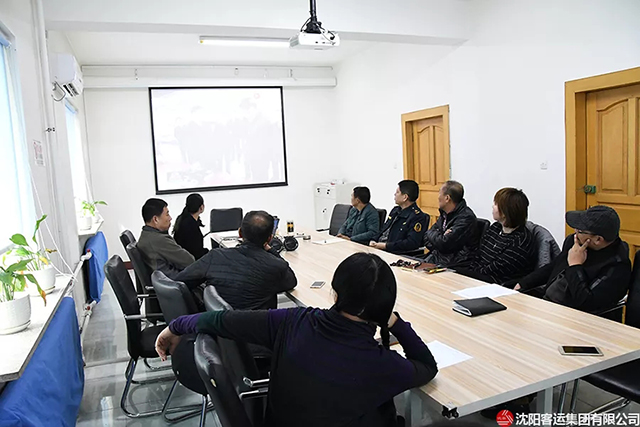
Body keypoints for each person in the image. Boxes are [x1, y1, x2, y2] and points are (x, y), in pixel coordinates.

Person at [156, 252, 438, 427]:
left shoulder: (292, 320)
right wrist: (396, 323)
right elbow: (427, 366)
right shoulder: (381, 363)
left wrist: (176, 326)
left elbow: (223, 320)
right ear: (385, 306)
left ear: (335, 294)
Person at [513, 206, 631, 313]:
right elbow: (554, 266)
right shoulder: (575, 242)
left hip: (575, 317)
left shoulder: (618, 267)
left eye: (580, 231)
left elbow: (586, 303)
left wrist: (575, 266)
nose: (575, 232)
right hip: (548, 303)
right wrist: (524, 283)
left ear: (598, 239)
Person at [175, 210, 297, 311]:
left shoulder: (215, 256)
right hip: (257, 330)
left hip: (217, 326)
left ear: (240, 233)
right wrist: (271, 250)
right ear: (270, 238)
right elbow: (291, 281)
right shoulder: (275, 266)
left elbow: (179, 282)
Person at [458, 188, 535, 284]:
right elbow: (479, 255)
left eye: (496, 204)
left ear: (505, 211)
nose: (492, 206)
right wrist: (470, 270)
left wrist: (470, 274)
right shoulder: (495, 227)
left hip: (497, 284)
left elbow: (495, 270)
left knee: (455, 274)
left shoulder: (521, 242)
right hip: (479, 276)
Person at [422, 181, 478, 267]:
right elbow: (426, 237)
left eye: (439, 193)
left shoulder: (466, 217)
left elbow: (444, 244)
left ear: (447, 198)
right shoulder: (445, 214)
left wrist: (437, 238)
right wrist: (439, 238)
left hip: (454, 263)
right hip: (437, 258)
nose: (438, 197)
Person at [137, 198, 195, 278]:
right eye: (167, 214)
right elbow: (190, 261)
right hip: (176, 281)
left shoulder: (146, 235)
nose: (170, 218)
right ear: (155, 219)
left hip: (166, 279)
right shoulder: (159, 240)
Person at [370, 180, 428, 254]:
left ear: (405, 197)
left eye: (397, 192)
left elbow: (411, 243)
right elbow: (383, 229)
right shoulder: (395, 210)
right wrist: (373, 240)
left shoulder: (418, 217)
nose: (395, 194)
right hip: (381, 248)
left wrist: (385, 246)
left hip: (396, 252)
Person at [173, 193, 209, 260]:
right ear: (201, 207)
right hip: (191, 261)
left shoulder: (183, 219)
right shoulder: (191, 225)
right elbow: (196, 252)